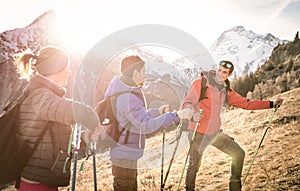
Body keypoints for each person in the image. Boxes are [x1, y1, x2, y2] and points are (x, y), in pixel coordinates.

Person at [181, 60, 284, 191]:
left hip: (215, 133)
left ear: (228, 75)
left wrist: (271, 104)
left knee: (238, 153)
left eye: (224, 72)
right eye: (219, 70)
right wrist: (193, 115)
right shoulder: (201, 83)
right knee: (194, 165)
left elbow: (246, 103)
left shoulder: (226, 91)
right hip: (198, 132)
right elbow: (188, 102)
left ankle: (235, 188)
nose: (220, 74)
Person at [15, 46, 99, 191]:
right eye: (66, 67)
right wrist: (91, 117)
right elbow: (69, 110)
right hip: (35, 185)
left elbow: (58, 143)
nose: (69, 71)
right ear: (55, 69)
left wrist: (85, 138)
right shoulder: (40, 96)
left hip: (44, 181)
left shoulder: (45, 95)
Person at [104, 55, 194, 191]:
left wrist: (158, 111)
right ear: (135, 73)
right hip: (124, 157)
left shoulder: (123, 90)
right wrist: (177, 116)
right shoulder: (128, 97)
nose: (145, 75)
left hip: (124, 155)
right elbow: (145, 125)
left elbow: (138, 118)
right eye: (144, 71)